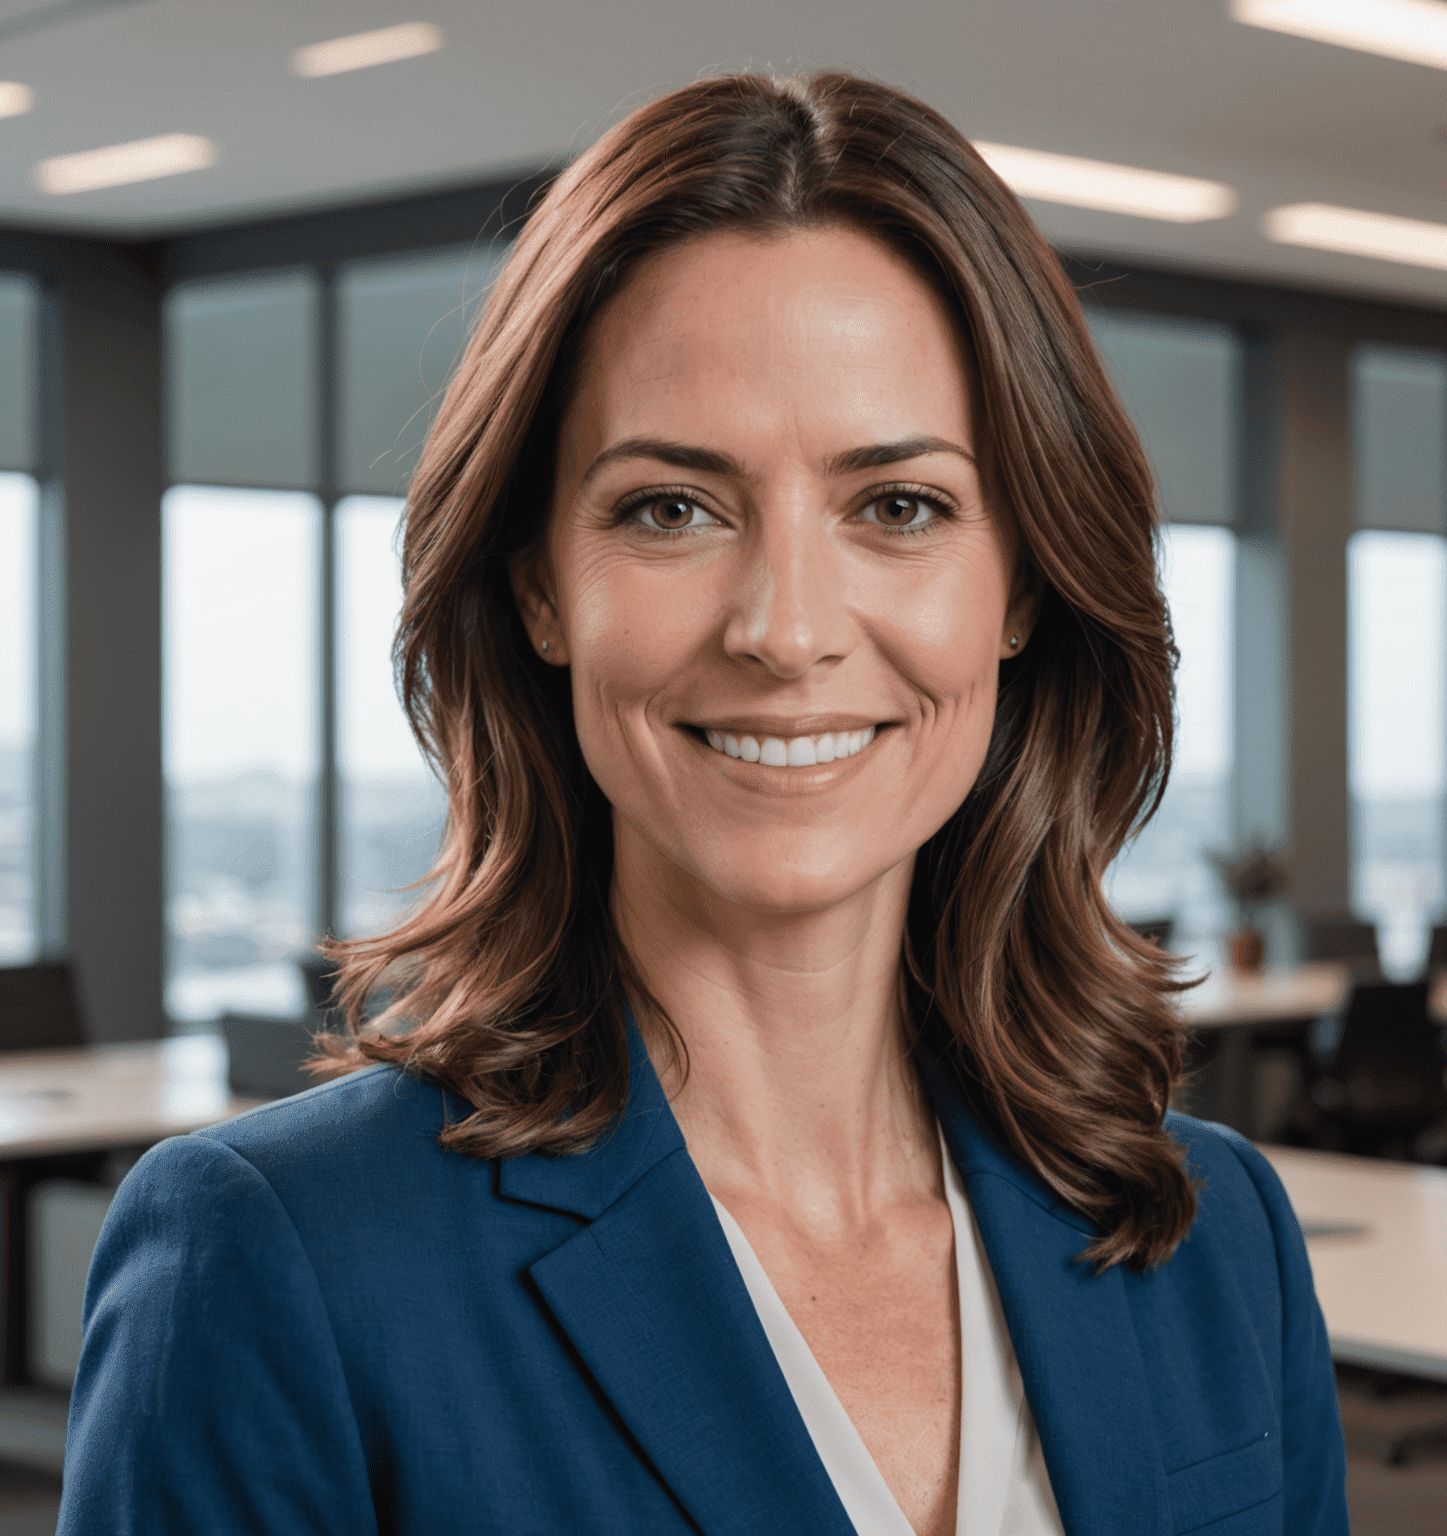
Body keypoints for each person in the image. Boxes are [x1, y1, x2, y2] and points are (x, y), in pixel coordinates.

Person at [60, 72, 1348, 1536]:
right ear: (541, 585)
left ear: (1024, 586)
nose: (787, 629)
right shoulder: (283, 1259)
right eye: (672, 508)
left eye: (899, 507)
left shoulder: (1212, 1234)